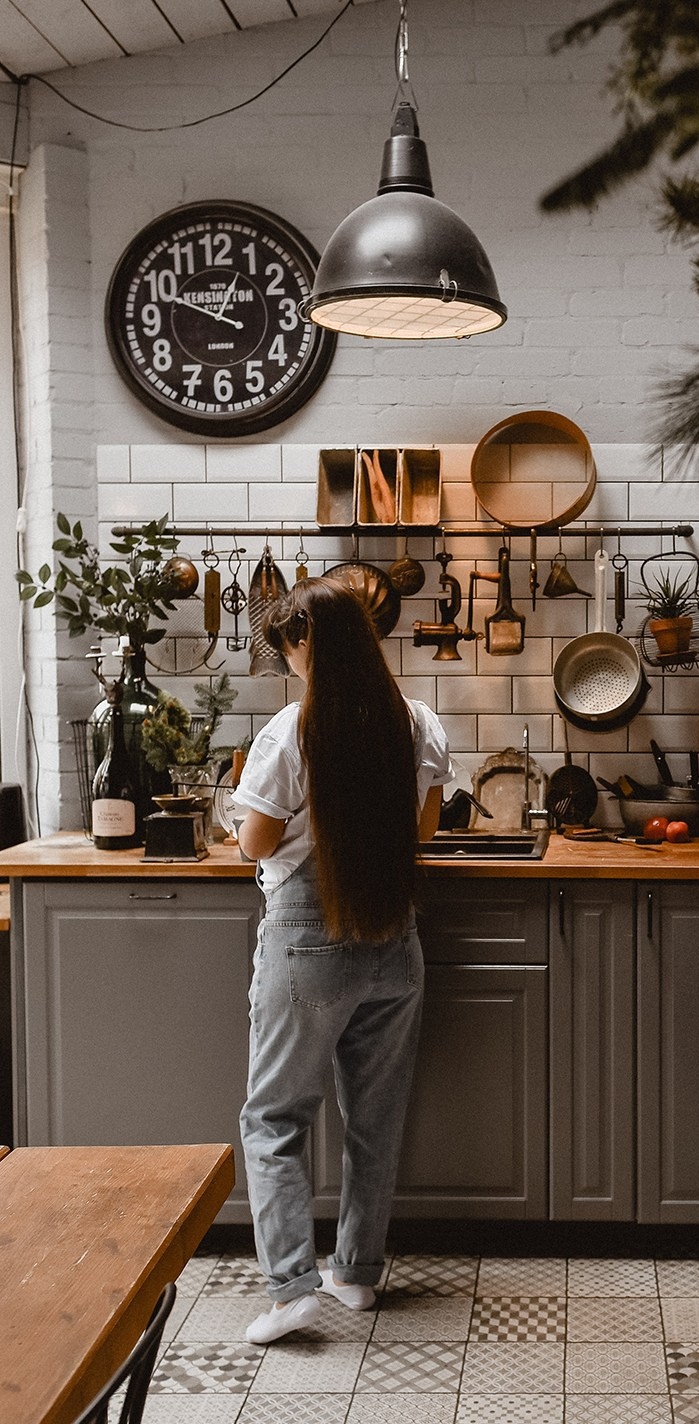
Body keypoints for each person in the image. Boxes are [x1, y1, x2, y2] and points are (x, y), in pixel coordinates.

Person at [231, 574, 453, 1344]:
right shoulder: (415, 721)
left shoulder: (291, 732)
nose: (287, 658)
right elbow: (422, 830)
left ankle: (292, 1289)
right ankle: (355, 1273)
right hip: (394, 936)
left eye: (287, 645)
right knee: (374, 1117)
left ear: (303, 645)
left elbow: (256, 843)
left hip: (309, 935)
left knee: (274, 1115)